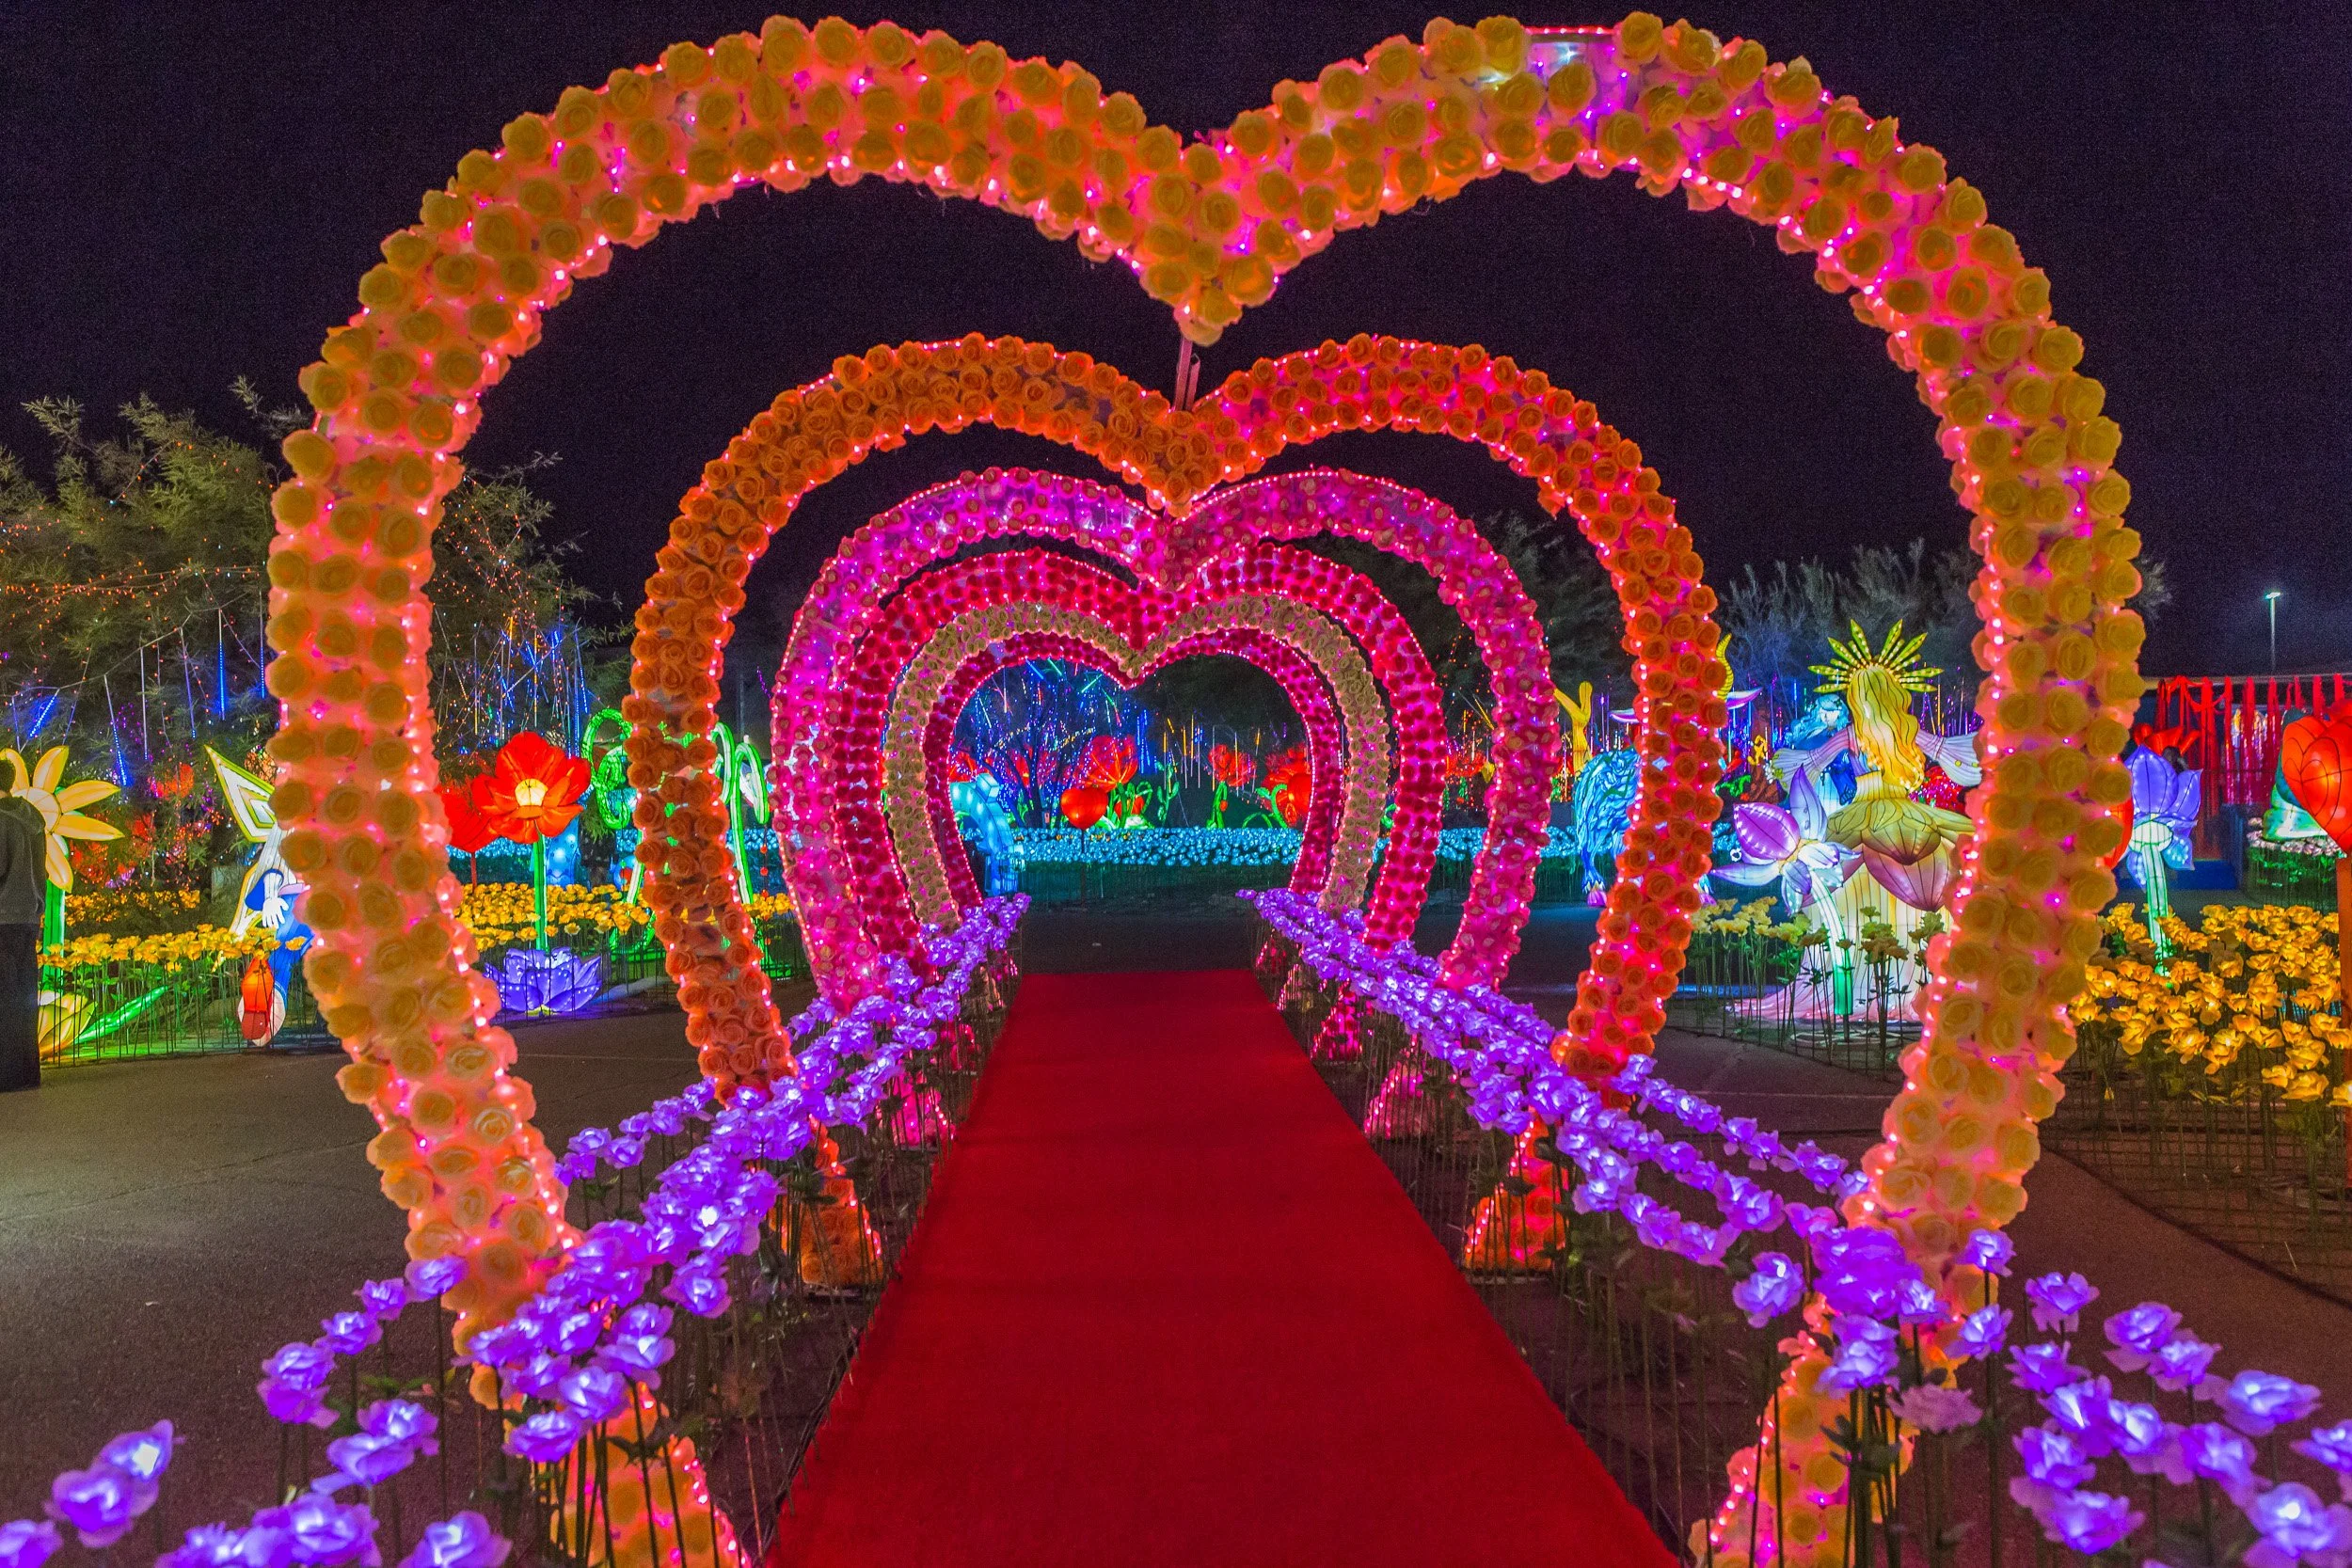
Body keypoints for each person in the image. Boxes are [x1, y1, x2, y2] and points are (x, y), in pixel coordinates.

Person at [0, 793, 45, 1091]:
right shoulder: (33, 821)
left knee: (4, 998)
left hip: (2, 917)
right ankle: (25, 1074)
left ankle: (5, 1074)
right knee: (24, 997)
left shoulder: (2, 820)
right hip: (27, 916)